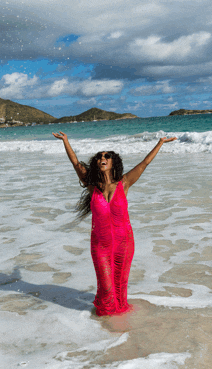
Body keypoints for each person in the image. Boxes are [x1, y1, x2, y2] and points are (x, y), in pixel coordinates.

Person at [52, 131, 177, 316]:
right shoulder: (92, 186)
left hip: (124, 243)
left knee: (120, 286)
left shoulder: (124, 183)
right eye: (99, 156)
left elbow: (144, 164)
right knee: (106, 286)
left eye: (107, 156)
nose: (102, 158)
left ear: (113, 162)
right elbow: (76, 164)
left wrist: (160, 143)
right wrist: (66, 141)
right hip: (100, 245)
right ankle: (105, 315)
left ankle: (117, 319)